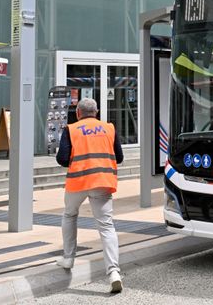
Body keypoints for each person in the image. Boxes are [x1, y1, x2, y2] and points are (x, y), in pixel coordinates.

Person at [55, 98, 124, 293]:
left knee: (69, 214)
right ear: (97, 112)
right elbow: (119, 157)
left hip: (78, 182)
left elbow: (62, 158)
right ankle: (114, 273)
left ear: (78, 113)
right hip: (102, 182)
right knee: (106, 226)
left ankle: (68, 259)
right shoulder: (109, 128)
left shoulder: (71, 129)